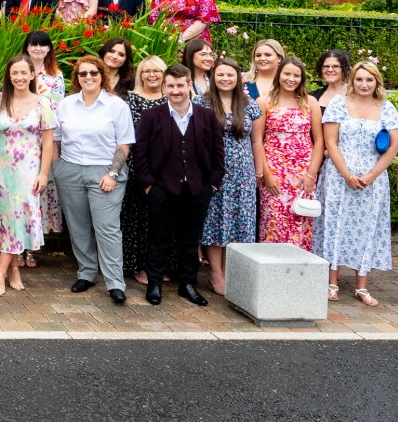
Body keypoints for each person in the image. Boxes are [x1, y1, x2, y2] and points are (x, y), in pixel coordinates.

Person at [133, 65, 225, 307]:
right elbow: (140, 153)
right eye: (171, 86)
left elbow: (218, 155)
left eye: (180, 85)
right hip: (161, 188)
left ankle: (187, 285)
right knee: (158, 237)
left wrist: (212, 186)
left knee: (190, 239)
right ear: (164, 87)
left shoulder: (206, 116)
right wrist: (148, 186)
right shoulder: (152, 116)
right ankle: (154, 284)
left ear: (189, 87)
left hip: (197, 189)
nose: (176, 90)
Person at [53, 55, 135, 304]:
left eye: (93, 73)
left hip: (105, 171)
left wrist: (113, 173)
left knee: (107, 228)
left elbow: (124, 144)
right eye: (83, 74)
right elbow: (56, 139)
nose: (88, 77)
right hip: (70, 170)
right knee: (78, 227)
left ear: (102, 75)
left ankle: (115, 283)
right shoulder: (66, 104)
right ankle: (86, 273)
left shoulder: (116, 105)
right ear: (76, 78)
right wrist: (58, 168)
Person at [314, 60, 396, 306]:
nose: (363, 84)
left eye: (369, 80)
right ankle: (332, 283)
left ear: (376, 82)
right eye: (359, 79)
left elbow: (393, 146)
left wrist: (371, 176)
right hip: (339, 177)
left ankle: (362, 286)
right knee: (334, 224)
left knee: (368, 227)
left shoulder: (387, 108)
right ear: (352, 81)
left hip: (373, 179)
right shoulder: (339, 104)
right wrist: (347, 175)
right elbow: (331, 142)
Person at [0, 54, 56, 296]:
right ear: (9, 76)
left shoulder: (42, 103)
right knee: (6, 219)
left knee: (17, 218)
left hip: (28, 172)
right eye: (15, 73)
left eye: (24, 72)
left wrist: (44, 174)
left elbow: (48, 143)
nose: (20, 77)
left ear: (32, 75)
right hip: (2, 170)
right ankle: (14, 269)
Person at [199, 58, 260, 295]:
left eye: (230, 75)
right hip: (212, 170)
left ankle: (232, 271)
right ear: (214, 77)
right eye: (220, 74)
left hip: (242, 173)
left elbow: (256, 140)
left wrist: (259, 172)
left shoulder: (249, 103)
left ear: (238, 78)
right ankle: (216, 273)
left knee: (238, 223)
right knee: (215, 221)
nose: (225, 79)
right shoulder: (202, 102)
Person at [253, 57, 323, 253]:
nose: (291, 79)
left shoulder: (310, 102)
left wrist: (311, 174)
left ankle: (300, 272)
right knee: (273, 219)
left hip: (302, 172)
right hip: (274, 171)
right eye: (287, 74)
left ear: (302, 78)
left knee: (301, 219)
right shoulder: (264, 102)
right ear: (279, 74)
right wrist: (266, 174)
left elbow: (319, 141)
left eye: (296, 75)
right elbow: (257, 140)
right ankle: (272, 271)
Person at [120, 55, 167, 286]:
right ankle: (140, 266)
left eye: (156, 71)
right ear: (140, 75)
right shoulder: (132, 99)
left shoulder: (172, 98)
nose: (151, 75)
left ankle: (162, 265)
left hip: (169, 168)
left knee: (165, 220)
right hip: (139, 165)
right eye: (147, 71)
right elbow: (132, 134)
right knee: (140, 219)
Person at [181, 39, 218, 105]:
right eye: (203, 54)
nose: (209, 58)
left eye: (211, 55)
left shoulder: (215, 78)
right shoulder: (181, 80)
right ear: (190, 56)